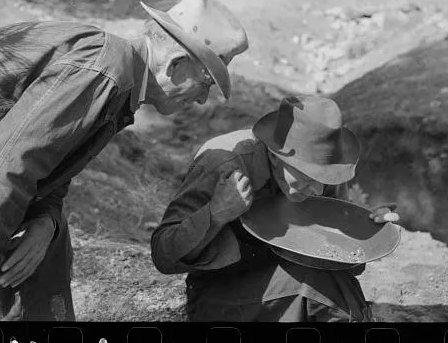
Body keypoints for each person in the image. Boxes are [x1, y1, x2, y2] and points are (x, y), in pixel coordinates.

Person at [0, 0, 249, 321]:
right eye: (206, 82)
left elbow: (48, 161)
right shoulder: (107, 70)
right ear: (176, 64)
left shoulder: (118, 79)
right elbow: (8, 161)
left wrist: (46, 220)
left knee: (47, 236)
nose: (202, 98)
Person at [151, 95, 400, 322]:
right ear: (274, 156)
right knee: (317, 291)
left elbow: (346, 266)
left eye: (321, 180)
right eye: (305, 177)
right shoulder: (223, 162)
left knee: (335, 286)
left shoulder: (327, 172)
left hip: (290, 283)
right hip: (220, 290)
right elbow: (163, 255)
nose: (315, 190)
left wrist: (361, 231)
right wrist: (216, 213)